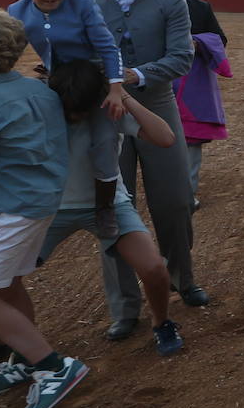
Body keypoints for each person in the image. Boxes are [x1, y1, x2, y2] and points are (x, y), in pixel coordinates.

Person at [87, 0, 207, 336]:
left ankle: (182, 279)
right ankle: (124, 306)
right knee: (111, 209)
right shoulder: (84, 4)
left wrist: (128, 76)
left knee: (174, 200)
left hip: (155, 104)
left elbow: (180, 59)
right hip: (104, 113)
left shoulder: (171, 3)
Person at [40, 61, 184, 357]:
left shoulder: (109, 110)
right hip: (50, 207)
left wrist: (121, 93)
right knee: (4, 275)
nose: (74, 116)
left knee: (155, 268)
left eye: (81, 109)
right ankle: (16, 339)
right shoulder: (42, 107)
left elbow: (165, 137)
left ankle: (162, 321)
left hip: (108, 203)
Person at [0, 9, 91, 408]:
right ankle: (24, 359)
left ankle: (52, 365)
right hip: (38, 203)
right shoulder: (39, 90)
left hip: (10, 205)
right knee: (8, 284)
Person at [9, 0, 127, 237]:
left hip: (93, 79)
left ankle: (105, 207)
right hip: (56, 81)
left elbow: (108, 48)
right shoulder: (16, 12)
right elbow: (10, 51)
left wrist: (114, 89)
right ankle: (41, 199)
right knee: (40, 135)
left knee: (104, 139)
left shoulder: (82, 5)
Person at [161, 0, 228, 210]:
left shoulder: (201, 7)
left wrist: (199, 43)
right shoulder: (151, 3)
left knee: (191, 138)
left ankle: (187, 194)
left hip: (192, 81)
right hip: (161, 77)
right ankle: (165, 190)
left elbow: (221, 39)